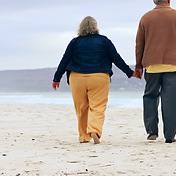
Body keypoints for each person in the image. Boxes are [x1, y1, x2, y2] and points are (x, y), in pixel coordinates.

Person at [52, 16, 135, 144]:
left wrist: (57, 78)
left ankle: (84, 137)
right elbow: (116, 58)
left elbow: (65, 60)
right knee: (97, 106)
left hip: (77, 78)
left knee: (81, 108)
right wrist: (130, 72)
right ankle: (94, 130)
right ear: (96, 27)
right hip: (99, 77)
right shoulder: (104, 41)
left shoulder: (75, 42)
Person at [133, 0, 176, 143]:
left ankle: (152, 131)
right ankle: (170, 135)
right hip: (173, 66)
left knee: (150, 97)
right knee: (171, 100)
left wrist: (138, 66)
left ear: (154, 1)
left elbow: (139, 44)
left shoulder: (145, 18)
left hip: (152, 65)